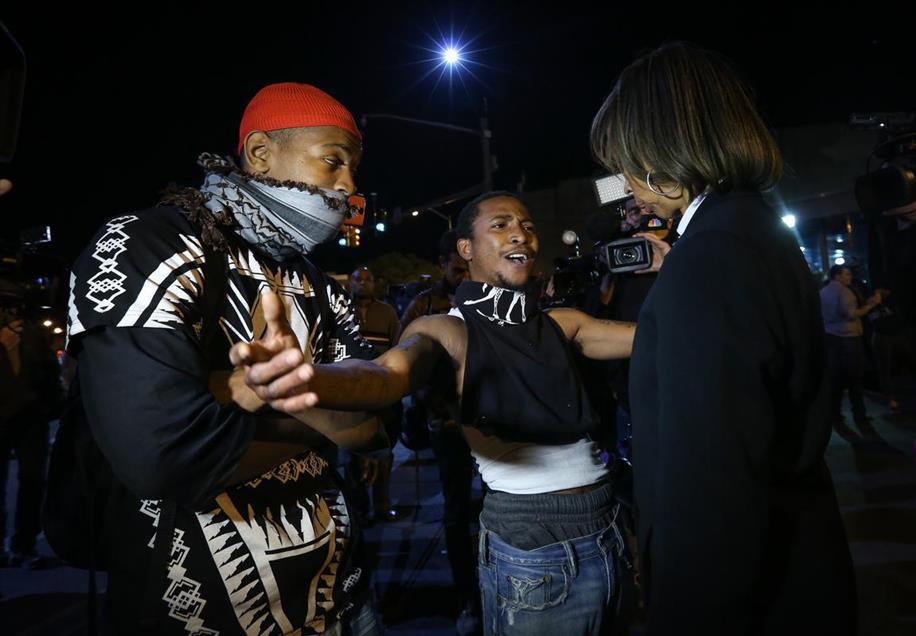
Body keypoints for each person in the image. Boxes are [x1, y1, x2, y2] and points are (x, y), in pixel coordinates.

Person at [233, 191, 639, 636]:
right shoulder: (446, 328)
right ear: (466, 250)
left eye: (527, 225)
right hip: (536, 545)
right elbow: (387, 375)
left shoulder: (562, 324)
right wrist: (308, 379)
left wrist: (668, 260)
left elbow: (655, 334)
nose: (521, 233)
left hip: (611, 522)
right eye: (500, 225)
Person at [65, 82, 384, 634]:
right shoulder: (150, 243)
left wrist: (238, 394)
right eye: (333, 161)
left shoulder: (317, 283)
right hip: (187, 610)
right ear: (260, 153)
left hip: (338, 600)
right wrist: (322, 409)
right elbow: (160, 458)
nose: (349, 185)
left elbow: (378, 427)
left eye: (353, 168)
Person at [589, 41, 857, 634]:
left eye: (624, 162)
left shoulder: (710, 256)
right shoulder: (750, 229)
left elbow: (710, 490)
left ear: (658, 154)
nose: (624, 184)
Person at [399, 230, 479, 634]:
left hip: (488, 422)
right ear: (443, 264)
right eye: (457, 269)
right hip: (447, 425)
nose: (464, 276)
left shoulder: (486, 296)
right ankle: (467, 596)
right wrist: (438, 410)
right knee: (456, 510)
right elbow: (406, 364)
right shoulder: (424, 305)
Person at [0, 295, 60, 569]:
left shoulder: (34, 334)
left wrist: (49, 406)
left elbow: (48, 371)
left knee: (33, 481)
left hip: (31, 417)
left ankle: (24, 545)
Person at [344, 266, 402, 523]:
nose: (363, 284)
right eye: (359, 279)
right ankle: (358, 509)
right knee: (351, 454)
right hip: (349, 394)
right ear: (350, 283)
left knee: (384, 452)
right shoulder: (342, 310)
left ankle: (382, 505)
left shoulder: (387, 312)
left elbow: (398, 348)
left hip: (381, 392)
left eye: (368, 279)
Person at [820, 264, 882, 437]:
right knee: (855, 377)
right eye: (846, 274)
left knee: (836, 378)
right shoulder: (844, 292)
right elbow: (851, 314)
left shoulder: (823, 292)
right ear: (837, 275)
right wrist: (872, 305)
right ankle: (859, 416)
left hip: (831, 336)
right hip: (848, 338)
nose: (850, 277)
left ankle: (835, 414)